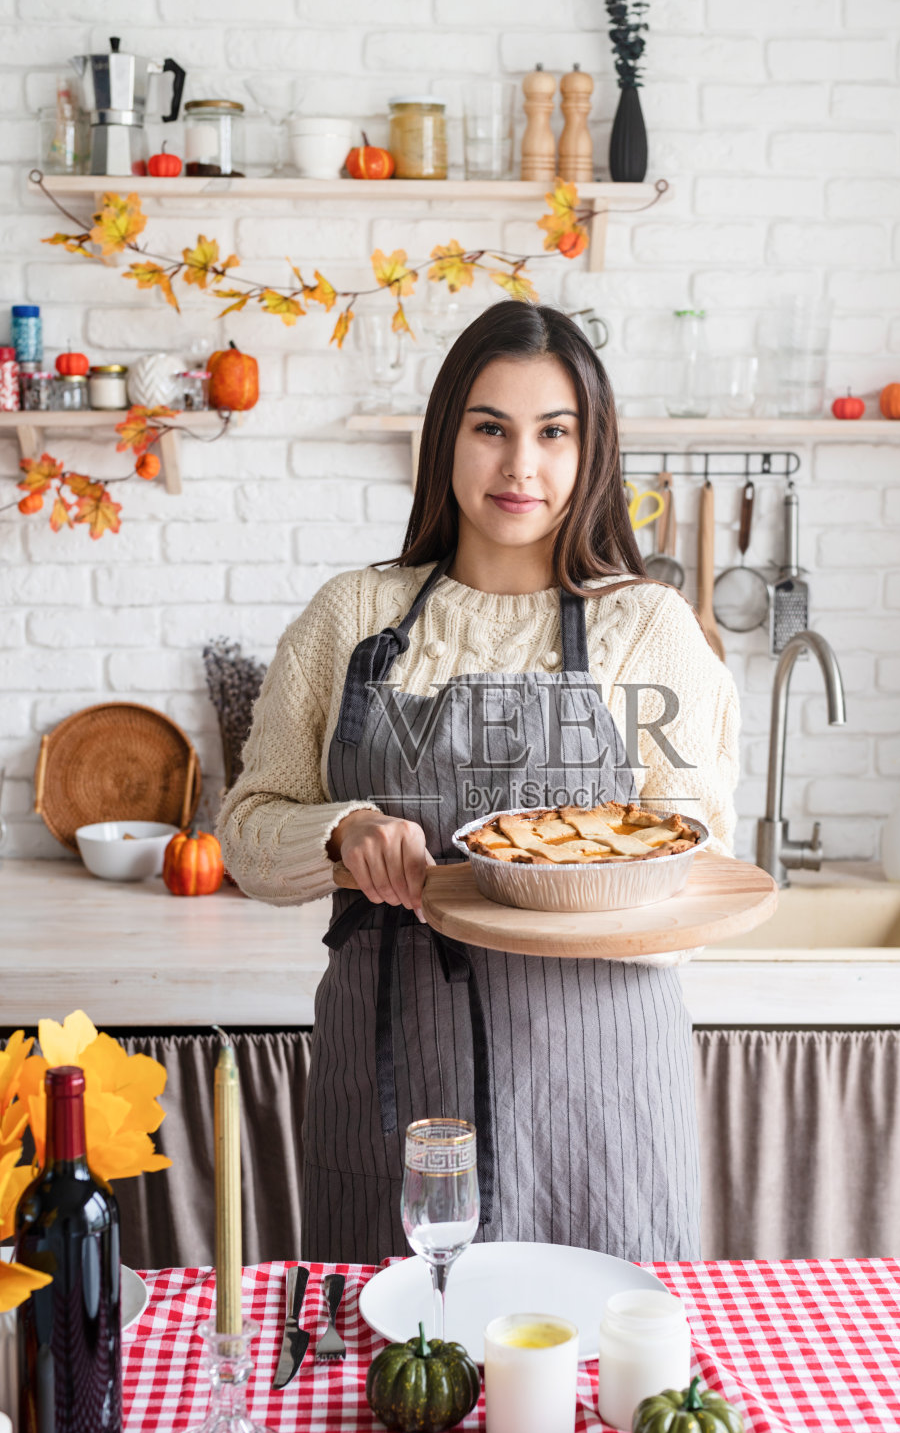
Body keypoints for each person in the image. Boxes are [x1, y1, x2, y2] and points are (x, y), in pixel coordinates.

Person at [219, 299, 740, 1265]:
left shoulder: (651, 626)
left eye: (554, 433)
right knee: (391, 1380)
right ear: (446, 436)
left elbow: (696, 857)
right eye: (490, 428)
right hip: (393, 1069)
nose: (520, 467)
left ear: (593, 452)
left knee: (598, 1385)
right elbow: (248, 831)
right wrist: (339, 833)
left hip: (601, 1076)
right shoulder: (351, 616)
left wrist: (564, 880)